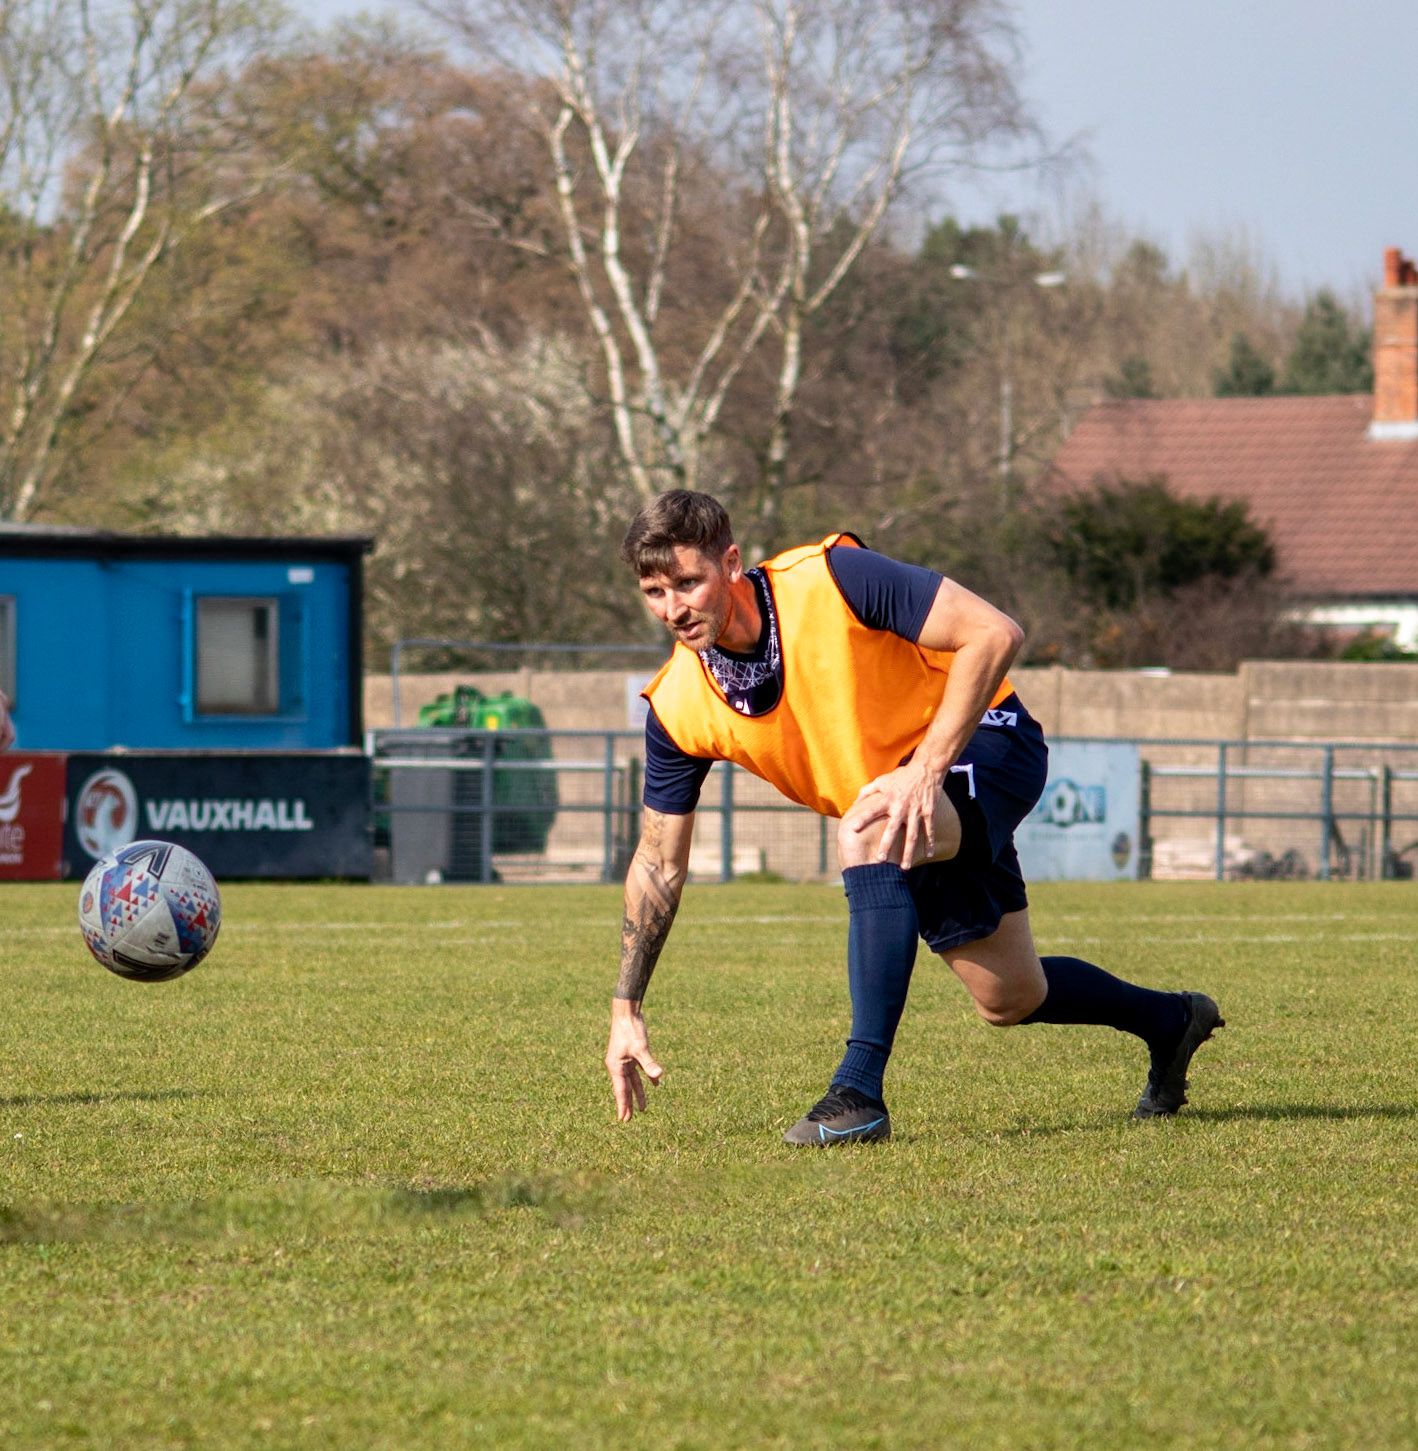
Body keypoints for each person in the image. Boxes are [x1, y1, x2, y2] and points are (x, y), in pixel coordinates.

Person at [604, 490, 1223, 1144]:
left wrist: (927, 769)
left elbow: (994, 632)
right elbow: (658, 865)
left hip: (987, 740)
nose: (673, 608)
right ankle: (1171, 1020)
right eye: (654, 592)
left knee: (867, 830)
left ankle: (858, 1093)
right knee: (1009, 995)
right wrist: (625, 1008)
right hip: (903, 800)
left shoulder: (832, 579)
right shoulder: (677, 707)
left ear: (730, 563)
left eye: (688, 583)